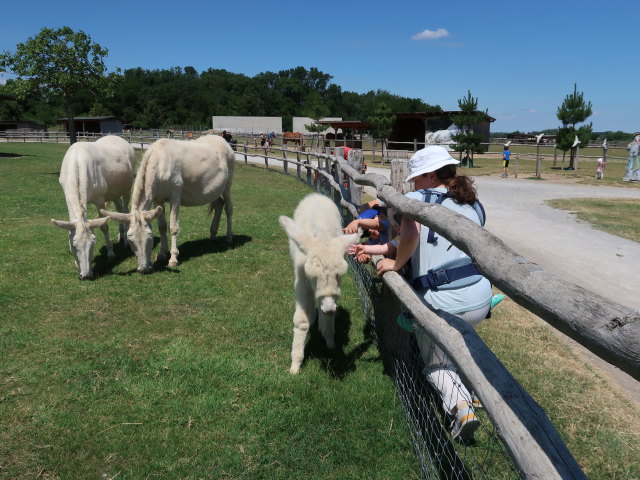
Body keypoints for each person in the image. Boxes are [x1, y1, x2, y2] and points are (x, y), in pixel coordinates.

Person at [376, 145, 492, 443]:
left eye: (416, 178)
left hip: (443, 299)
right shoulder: (471, 202)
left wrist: (395, 263)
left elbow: (411, 237)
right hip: (479, 295)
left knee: (436, 364)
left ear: (430, 175)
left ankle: (461, 408)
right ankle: (469, 393)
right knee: (456, 348)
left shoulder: (415, 201)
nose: (412, 183)